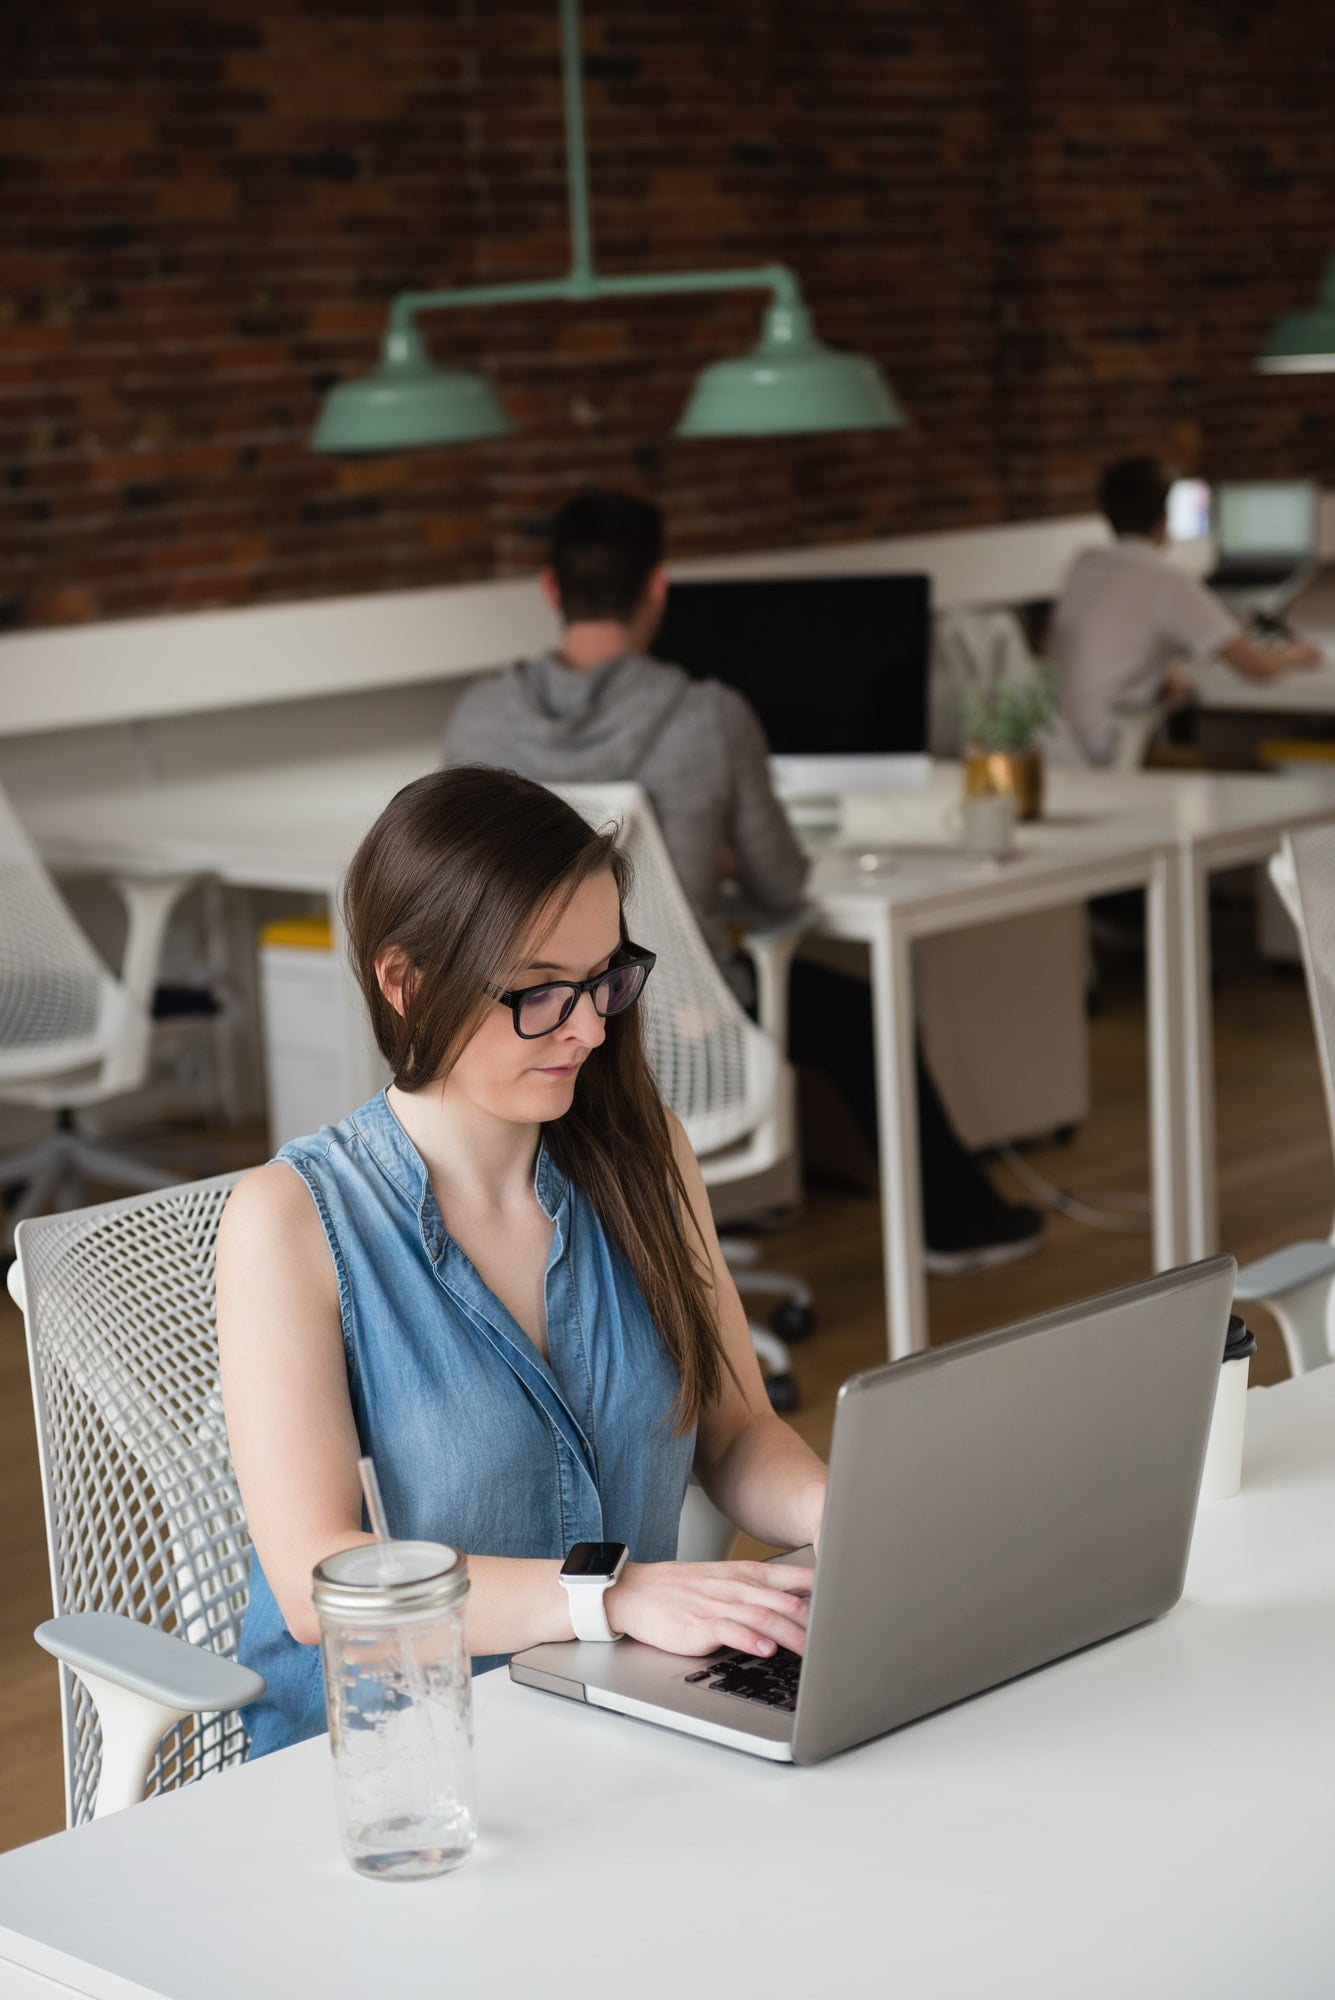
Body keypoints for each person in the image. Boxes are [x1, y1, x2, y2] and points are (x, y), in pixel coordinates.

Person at [218, 767, 827, 1757]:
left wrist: (849, 1518)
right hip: (394, 1768)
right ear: (404, 980)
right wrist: (615, 1596)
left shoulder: (646, 1154)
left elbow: (739, 1429)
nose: (588, 1025)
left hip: (612, 1721)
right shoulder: (288, 1221)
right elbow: (317, 1581)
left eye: (604, 980)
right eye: (540, 991)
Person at [443, 491, 1044, 1275]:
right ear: (657, 587)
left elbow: (465, 884)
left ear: (550, 590)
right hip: (676, 1031)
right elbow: (783, 884)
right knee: (856, 1011)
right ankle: (957, 1227)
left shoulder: (477, 722)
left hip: (523, 1034)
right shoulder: (708, 714)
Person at [1050, 456, 1321, 765]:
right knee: (1259, 770)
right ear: (1164, 516)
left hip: (1064, 747)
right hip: (1114, 747)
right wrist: (1294, 655)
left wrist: (1154, 677)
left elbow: (1108, 648)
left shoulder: (1084, 564)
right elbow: (1257, 666)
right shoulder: (1166, 581)